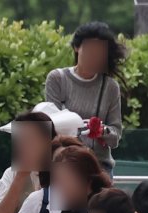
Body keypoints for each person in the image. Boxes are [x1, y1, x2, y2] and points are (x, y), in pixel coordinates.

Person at [45, 21, 126, 174]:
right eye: (89, 50)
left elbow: (115, 137)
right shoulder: (57, 79)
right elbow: (51, 127)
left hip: (99, 167)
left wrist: (102, 130)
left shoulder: (110, 87)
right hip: (65, 165)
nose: (94, 57)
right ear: (77, 48)